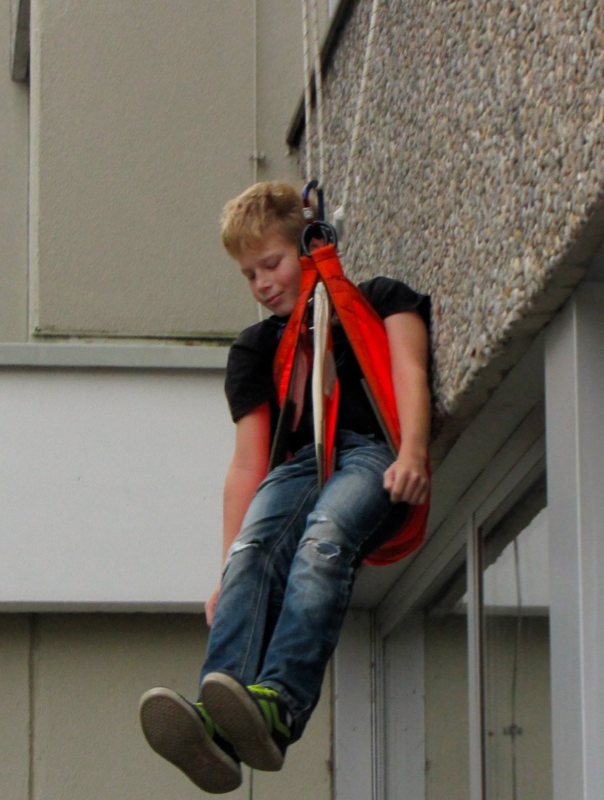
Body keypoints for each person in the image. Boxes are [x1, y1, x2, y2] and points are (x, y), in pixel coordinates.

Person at [139, 181, 432, 793]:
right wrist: (227, 569)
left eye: (271, 263)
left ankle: (281, 704)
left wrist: (413, 452)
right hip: (302, 463)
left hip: (372, 449)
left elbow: (409, 370)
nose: (262, 283)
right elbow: (248, 463)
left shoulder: (379, 300)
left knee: (324, 540)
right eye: (249, 274)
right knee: (254, 555)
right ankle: (220, 720)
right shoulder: (257, 349)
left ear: (306, 247)